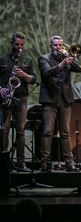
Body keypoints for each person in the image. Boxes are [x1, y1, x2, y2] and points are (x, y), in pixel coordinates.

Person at [38, 35, 81, 172]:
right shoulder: (44, 58)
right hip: (50, 100)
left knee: (65, 132)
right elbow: (46, 73)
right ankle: (44, 163)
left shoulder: (66, 58)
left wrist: (71, 58)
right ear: (50, 46)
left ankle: (69, 164)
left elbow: (79, 69)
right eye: (55, 45)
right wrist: (61, 64)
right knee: (47, 132)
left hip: (65, 99)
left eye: (60, 45)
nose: (58, 48)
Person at [0, 33, 37, 172]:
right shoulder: (3, 59)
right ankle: (3, 163)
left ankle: (21, 163)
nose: (19, 48)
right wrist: (0, 89)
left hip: (21, 99)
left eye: (22, 45)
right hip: (6, 98)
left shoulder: (27, 60)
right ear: (12, 44)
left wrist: (24, 75)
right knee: (4, 131)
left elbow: (33, 79)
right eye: (17, 45)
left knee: (21, 131)